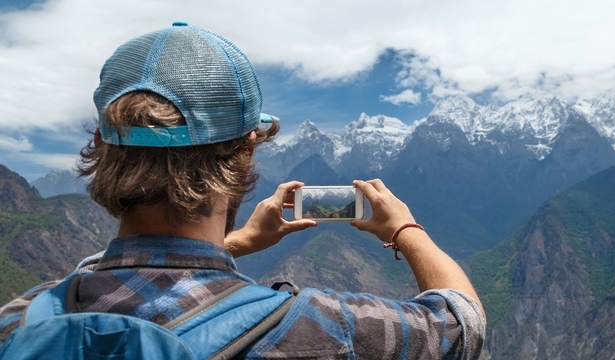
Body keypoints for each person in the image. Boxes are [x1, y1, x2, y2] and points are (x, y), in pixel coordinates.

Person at [0, 23, 485, 358]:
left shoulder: (20, 321)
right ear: (246, 152)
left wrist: (240, 243)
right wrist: (404, 228)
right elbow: (461, 324)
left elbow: (92, 275)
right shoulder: (318, 330)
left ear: (102, 149)